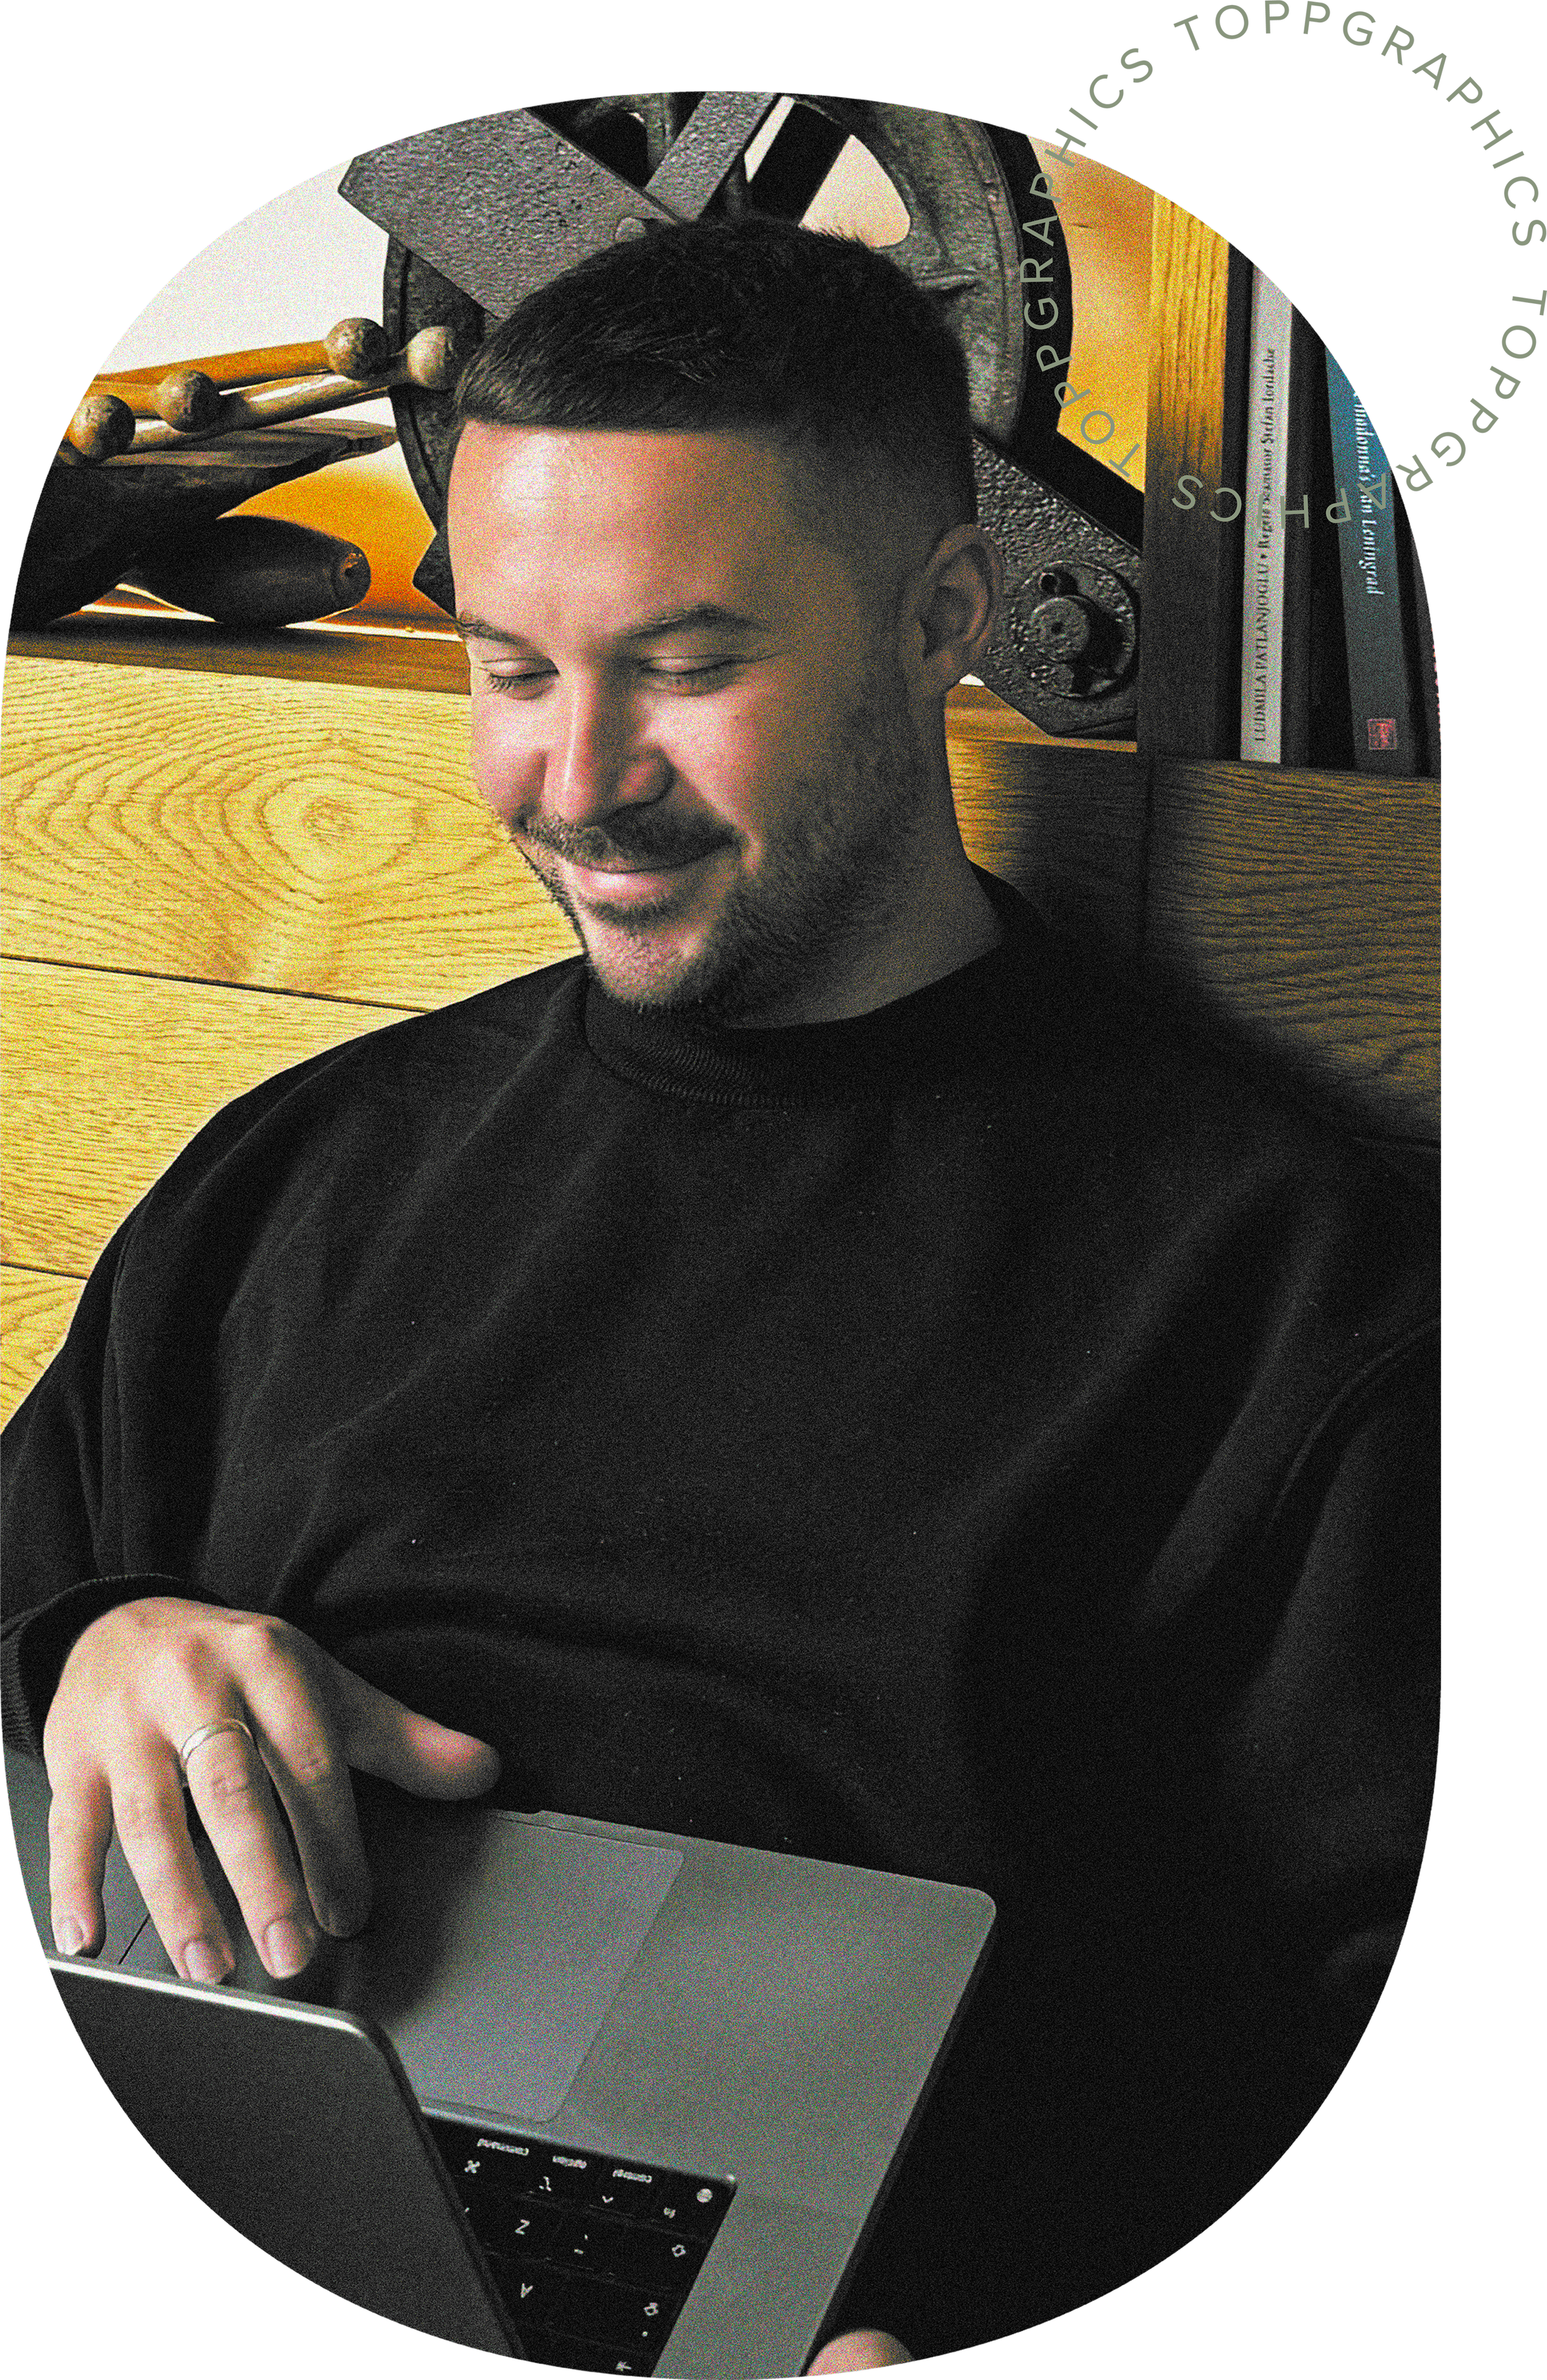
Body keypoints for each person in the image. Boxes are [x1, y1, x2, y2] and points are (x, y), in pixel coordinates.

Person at [0, 217, 1442, 2372]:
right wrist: (96, 1643)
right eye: (511, 669)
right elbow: (27, 1590)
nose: (576, 781)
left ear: (940, 620)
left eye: (681, 667)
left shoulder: (1289, 1270)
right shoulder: (303, 1167)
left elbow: (1353, 2043)